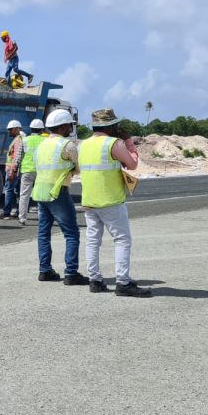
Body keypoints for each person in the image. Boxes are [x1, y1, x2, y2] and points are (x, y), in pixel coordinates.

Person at [79, 109, 152, 297]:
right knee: (122, 240)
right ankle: (123, 282)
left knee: (93, 241)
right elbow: (133, 164)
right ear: (111, 126)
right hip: (110, 200)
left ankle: (95, 280)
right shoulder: (114, 143)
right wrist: (129, 144)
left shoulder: (83, 145)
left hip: (89, 200)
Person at [31, 109, 87, 285]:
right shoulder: (67, 145)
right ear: (63, 127)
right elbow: (79, 167)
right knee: (71, 233)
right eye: (70, 124)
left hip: (40, 191)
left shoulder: (41, 145)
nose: (71, 127)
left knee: (43, 233)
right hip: (58, 191)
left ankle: (45, 270)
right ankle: (71, 273)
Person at [17, 118, 45, 226]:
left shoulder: (24, 140)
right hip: (41, 171)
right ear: (41, 130)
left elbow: (19, 157)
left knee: (24, 195)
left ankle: (22, 218)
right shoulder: (44, 141)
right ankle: (41, 217)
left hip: (27, 170)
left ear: (31, 128)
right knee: (40, 195)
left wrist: (15, 169)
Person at [0, 120, 24, 220]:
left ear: (17, 129)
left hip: (12, 170)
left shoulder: (18, 140)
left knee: (9, 190)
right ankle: (15, 211)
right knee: (14, 190)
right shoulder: (18, 139)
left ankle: (6, 211)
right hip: (13, 169)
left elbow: (16, 157)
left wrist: (12, 171)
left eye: (11, 130)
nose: (9, 132)